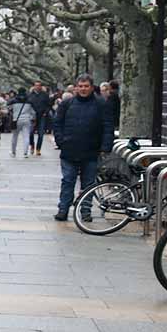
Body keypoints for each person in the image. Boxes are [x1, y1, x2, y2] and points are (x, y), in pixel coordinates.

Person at [53, 73, 114, 222]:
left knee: (89, 183)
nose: (83, 89)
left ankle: (85, 211)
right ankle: (63, 209)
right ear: (75, 88)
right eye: (80, 86)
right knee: (68, 180)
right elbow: (57, 123)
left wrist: (105, 146)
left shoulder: (101, 104)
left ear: (92, 87)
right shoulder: (67, 104)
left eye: (86, 86)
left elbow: (108, 126)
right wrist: (61, 141)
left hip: (91, 150)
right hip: (69, 149)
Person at [9, 87, 35, 158]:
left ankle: (13, 152)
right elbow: (33, 112)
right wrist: (32, 118)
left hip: (16, 120)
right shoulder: (29, 101)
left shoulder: (13, 100)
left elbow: (9, 108)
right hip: (26, 120)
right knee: (26, 136)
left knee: (14, 136)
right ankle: (25, 153)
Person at [28, 81, 51, 156]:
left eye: (39, 85)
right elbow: (27, 105)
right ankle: (32, 145)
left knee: (40, 134)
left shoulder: (45, 95)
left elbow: (49, 105)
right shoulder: (30, 95)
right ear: (34, 86)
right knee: (30, 133)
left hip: (42, 116)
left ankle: (38, 149)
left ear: (41, 87)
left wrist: (45, 112)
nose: (37, 87)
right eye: (36, 85)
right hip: (32, 117)